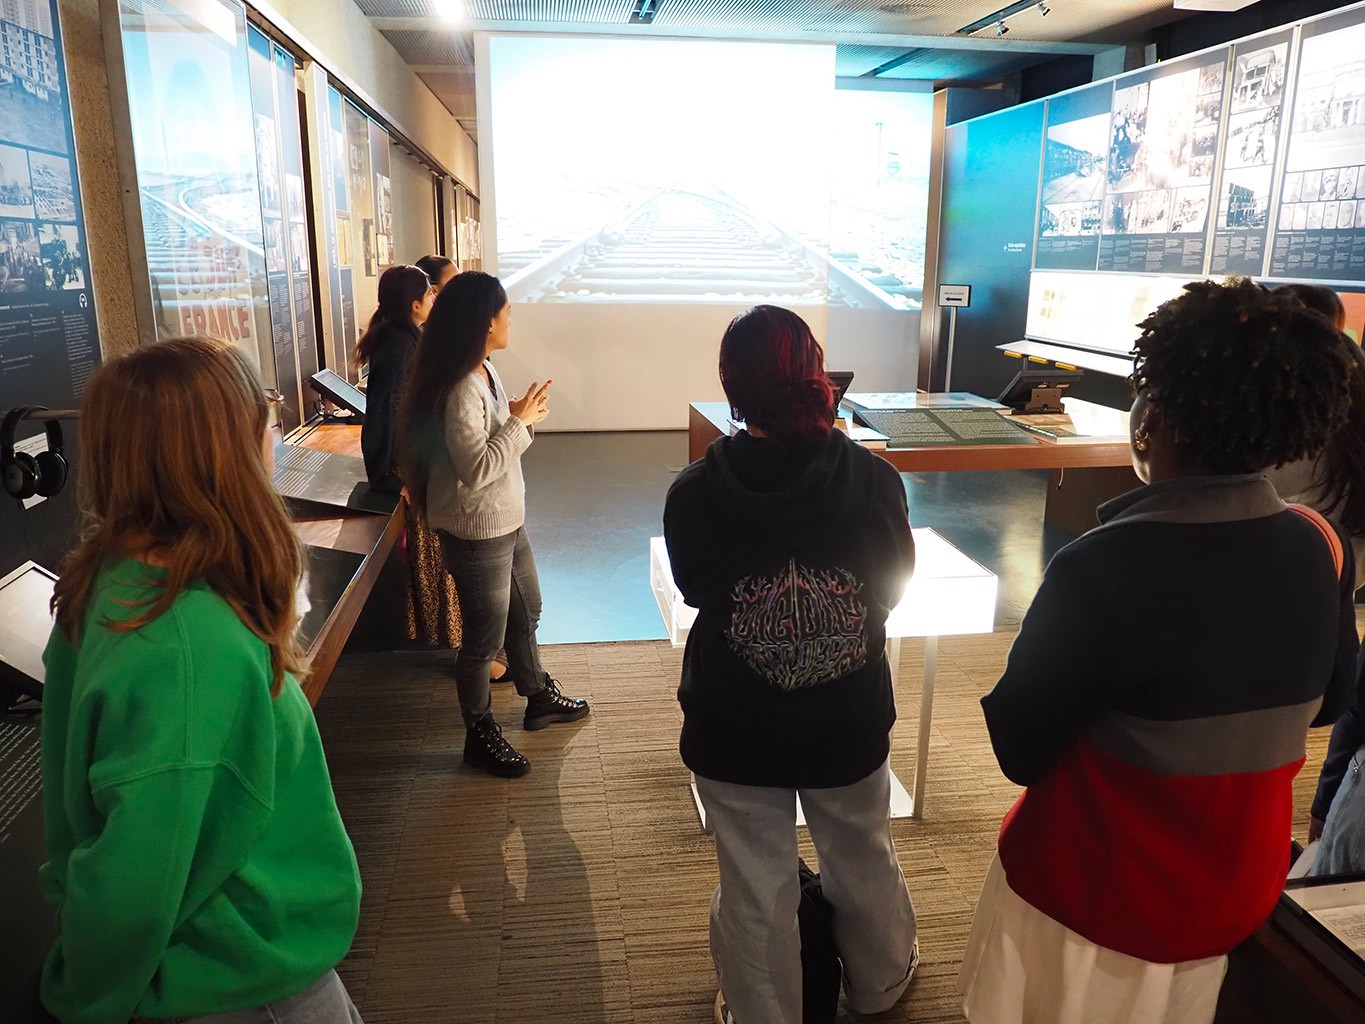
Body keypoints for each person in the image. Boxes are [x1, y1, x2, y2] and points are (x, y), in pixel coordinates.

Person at [957, 278, 1359, 1024]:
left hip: (1090, 892)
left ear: (1156, 416)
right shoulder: (1321, 545)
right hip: (1235, 887)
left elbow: (1018, 746)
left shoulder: (1103, 565)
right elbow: (1330, 701)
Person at [40, 337, 362, 1024]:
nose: (273, 428)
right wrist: (85, 995)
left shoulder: (117, 581)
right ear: (222, 450)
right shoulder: (189, 645)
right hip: (237, 977)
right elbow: (135, 876)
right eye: (263, 413)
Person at [663, 305, 919, 1024]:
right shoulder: (874, 480)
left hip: (733, 718)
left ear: (732, 388)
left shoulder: (693, 491)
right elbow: (893, 584)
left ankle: (762, 1010)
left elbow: (694, 589)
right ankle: (881, 984)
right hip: (847, 714)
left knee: (754, 880)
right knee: (863, 853)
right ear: (817, 376)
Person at [398, 271, 589, 778]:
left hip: (506, 518)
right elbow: (478, 468)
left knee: (527, 611)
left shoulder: (484, 369)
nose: (510, 320)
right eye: (507, 312)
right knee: (484, 641)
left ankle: (537, 695)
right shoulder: (462, 387)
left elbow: (498, 445)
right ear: (486, 322)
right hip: (477, 529)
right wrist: (521, 422)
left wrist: (522, 417)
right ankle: (479, 733)